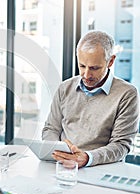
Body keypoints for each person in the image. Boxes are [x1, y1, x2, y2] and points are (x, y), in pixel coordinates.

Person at [42, 30, 139, 168]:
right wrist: (57, 150)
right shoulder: (65, 88)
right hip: (62, 166)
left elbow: (121, 145)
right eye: (82, 66)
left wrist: (87, 158)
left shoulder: (127, 94)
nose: (86, 74)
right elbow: (51, 129)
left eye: (94, 68)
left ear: (110, 61)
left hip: (100, 169)